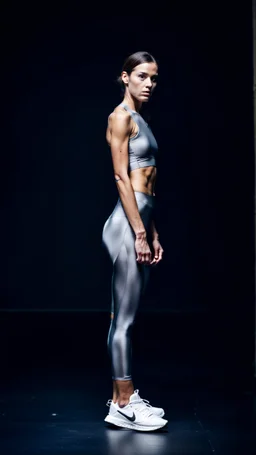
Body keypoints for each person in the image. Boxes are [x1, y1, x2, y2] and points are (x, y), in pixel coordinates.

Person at [102, 51, 167, 431]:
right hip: (126, 224)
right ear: (125, 77)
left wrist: (153, 231)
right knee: (122, 319)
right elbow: (122, 178)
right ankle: (124, 402)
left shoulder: (141, 118)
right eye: (142, 76)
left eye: (154, 78)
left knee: (127, 316)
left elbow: (148, 185)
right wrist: (139, 232)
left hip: (140, 220)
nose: (149, 83)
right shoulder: (121, 117)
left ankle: (120, 400)